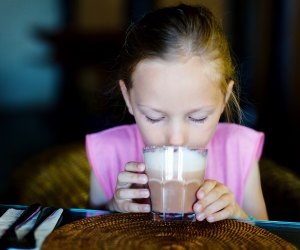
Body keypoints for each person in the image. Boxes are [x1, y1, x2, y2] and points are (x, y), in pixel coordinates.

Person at [86, 3, 268, 222]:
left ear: (224, 99)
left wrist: (239, 218)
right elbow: (86, 232)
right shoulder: (108, 152)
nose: (176, 138)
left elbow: (268, 239)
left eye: (197, 117)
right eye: (155, 117)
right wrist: (112, 208)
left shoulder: (239, 149)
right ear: (128, 98)